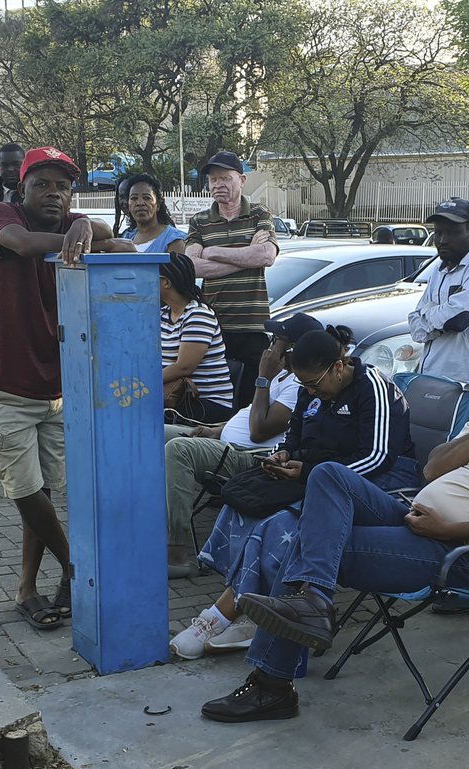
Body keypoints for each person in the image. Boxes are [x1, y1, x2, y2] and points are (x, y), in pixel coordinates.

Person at [201, 339, 469, 722]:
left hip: (462, 555)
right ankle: (314, 600)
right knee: (327, 475)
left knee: (303, 545)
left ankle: (272, 684)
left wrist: (452, 529)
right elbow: (434, 467)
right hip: (415, 519)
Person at [175, 325, 421, 659]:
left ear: (339, 366)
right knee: (243, 505)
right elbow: (296, 433)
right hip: (321, 475)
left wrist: (311, 474)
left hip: (380, 483)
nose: (310, 392)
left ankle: (224, 615)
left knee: (278, 527)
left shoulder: (373, 388)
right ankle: (249, 606)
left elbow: (378, 456)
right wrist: (286, 453)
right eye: (303, 385)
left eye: (314, 384)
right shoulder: (311, 387)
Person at [0, 145, 127, 631]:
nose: (54, 194)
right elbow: (19, 242)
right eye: (43, 184)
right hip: (3, 382)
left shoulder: (70, 223)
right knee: (26, 491)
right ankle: (75, 568)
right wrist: (79, 233)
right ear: (24, 187)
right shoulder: (1, 214)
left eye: (63, 186)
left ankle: (27, 590)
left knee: (46, 492)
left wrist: (90, 227)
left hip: (56, 388)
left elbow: (124, 249)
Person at [163, 312, 323, 584]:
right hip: (225, 442)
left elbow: (259, 430)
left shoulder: (299, 386)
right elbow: (249, 415)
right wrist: (217, 429)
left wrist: (262, 377)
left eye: (277, 342)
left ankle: (176, 553)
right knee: (154, 434)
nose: (269, 348)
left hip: (248, 459)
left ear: (293, 351)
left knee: (179, 449)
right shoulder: (281, 378)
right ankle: (148, 526)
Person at [186, 151, 278, 410]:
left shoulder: (259, 214)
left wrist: (212, 251)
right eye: (213, 180)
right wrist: (245, 255)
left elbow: (266, 256)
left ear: (242, 179)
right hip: (213, 325)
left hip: (253, 327)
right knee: (216, 399)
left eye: (225, 178)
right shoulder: (199, 221)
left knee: (250, 401)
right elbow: (191, 266)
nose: (218, 185)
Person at [408, 197, 469, 383]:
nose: (442, 240)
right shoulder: (437, 269)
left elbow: (458, 319)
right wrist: (438, 320)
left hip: (464, 382)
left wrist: (428, 315)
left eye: (452, 233)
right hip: (430, 375)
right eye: (438, 232)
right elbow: (414, 326)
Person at [160, 252, 234, 423]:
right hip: (173, 397)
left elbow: (184, 367)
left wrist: (144, 384)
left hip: (203, 403)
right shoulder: (163, 314)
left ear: (166, 282)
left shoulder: (198, 314)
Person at [119, 173, 187, 254]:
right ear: (129, 205)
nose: (140, 203)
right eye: (134, 198)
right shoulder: (126, 237)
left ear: (157, 204)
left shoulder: (174, 240)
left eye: (147, 198)